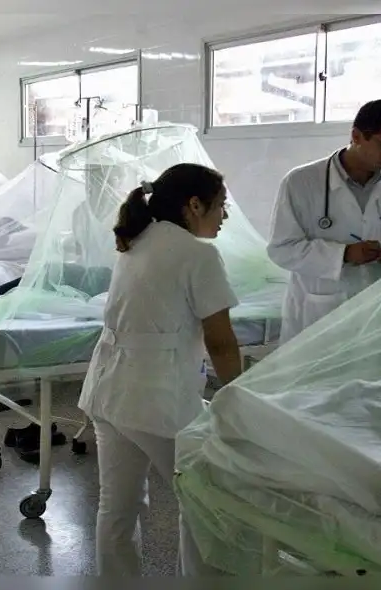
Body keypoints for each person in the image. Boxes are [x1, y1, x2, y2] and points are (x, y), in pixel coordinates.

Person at [76, 163, 243, 577]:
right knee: (206, 501)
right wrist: (240, 397)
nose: (225, 216)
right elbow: (220, 341)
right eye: (221, 206)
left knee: (117, 507)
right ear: (194, 205)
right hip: (155, 398)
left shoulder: (138, 239)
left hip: (108, 389)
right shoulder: (198, 254)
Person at [267, 99, 381, 344]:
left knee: (374, 377)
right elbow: (281, 249)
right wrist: (343, 254)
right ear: (356, 136)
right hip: (319, 313)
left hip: (380, 312)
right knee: (316, 377)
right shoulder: (302, 182)